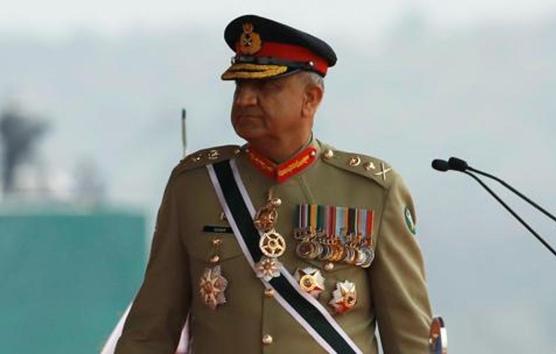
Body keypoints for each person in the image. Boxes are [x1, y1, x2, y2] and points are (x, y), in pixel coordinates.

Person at [114, 14, 433, 354]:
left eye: (265, 87)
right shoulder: (195, 187)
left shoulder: (373, 192)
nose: (246, 99)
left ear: (311, 98)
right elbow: (149, 332)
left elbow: (410, 338)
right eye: (240, 86)